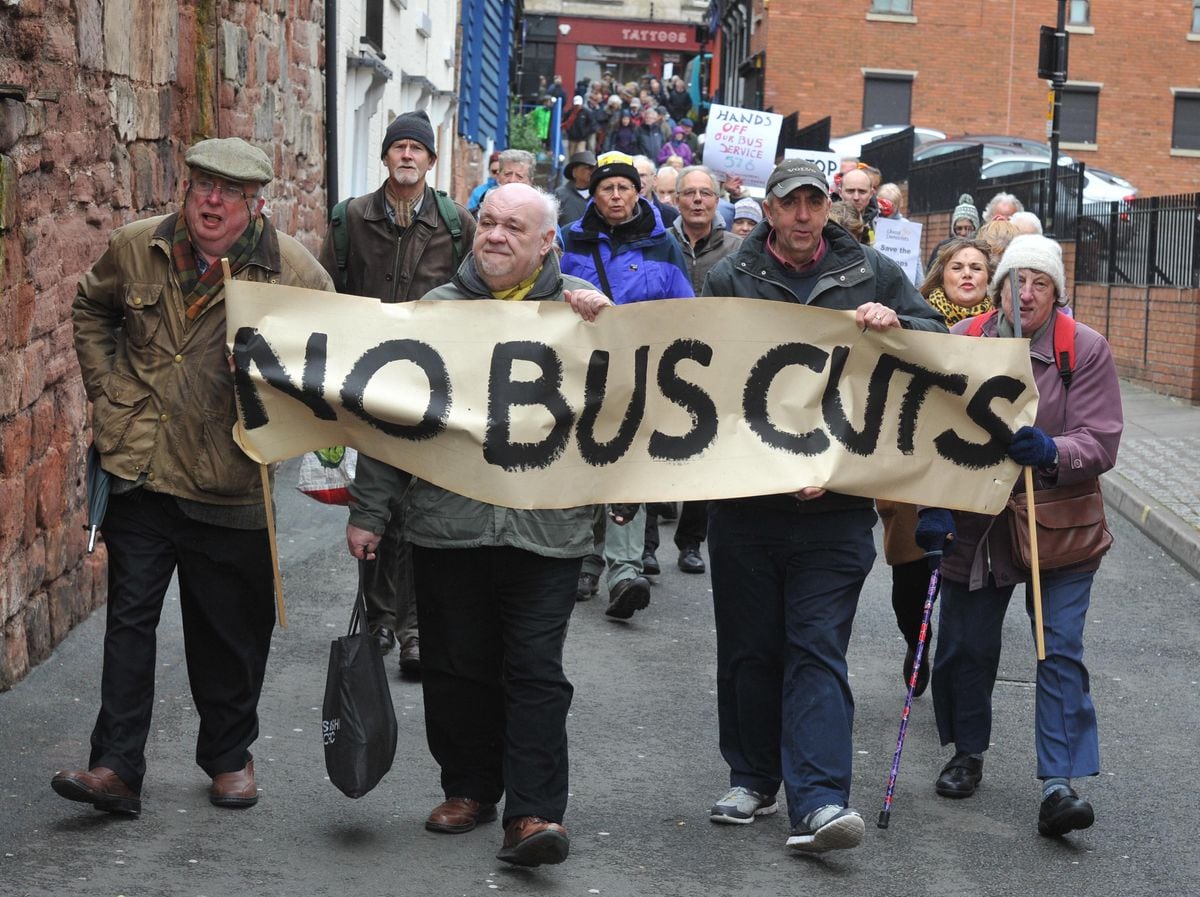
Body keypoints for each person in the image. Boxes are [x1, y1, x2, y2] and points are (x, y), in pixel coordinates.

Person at [58, 137, 334, 817]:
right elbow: (92, 309)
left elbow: (335, 353)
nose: (211, 201)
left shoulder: (290, 270)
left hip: (231, 476)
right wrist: (109, 388)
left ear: (255, 204)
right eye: (202, 186)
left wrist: (281, 401)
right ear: (186, 189)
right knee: (129, 622)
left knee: (229, 630)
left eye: (229, 193)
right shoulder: (136, 247)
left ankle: (228, 754)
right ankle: (115, 765)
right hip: (142, 469)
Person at [346, 183, 613, 868]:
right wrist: (370, 510)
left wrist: (603, 325)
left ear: (547, 241)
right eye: (486, 222)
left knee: (534, 670)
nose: (494, 235)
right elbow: (392, 416)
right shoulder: (435, 312)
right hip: (448, 524)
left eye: (512, 227)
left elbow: (620, 412)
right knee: (454, 666)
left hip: (546, 531)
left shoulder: (585, 311)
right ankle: (467, 786)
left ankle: (533, 811)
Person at [700, 158, 945, 853]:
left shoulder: (869, 271)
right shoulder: (731, 274)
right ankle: (751, 777)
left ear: (830, 207)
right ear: (770, 211)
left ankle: (820, 799)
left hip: (837, 505)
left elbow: (935, 344)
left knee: (816, 645)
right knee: (751, 648)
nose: (804, 214)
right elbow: (702, 382)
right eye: (791, 203)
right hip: (747, 503)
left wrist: (894, 319)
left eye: (815, 201)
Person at [915, 233, 1122, 838]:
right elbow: (930, 433)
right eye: (1016, 280)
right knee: (963, 648)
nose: (1025, 293)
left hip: (1058, 528)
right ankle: (967, 749)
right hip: (975, 523)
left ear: (1057, 291)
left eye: (1040, 283)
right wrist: (932, 507)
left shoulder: (1083, 348)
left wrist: (1055, 449)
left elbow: (1102, 439)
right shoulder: (963, 342)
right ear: (998, 285)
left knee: (1057, 648)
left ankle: (1059, 783)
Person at [320, 109, 476, 673]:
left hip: (433, 386)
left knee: (419, 507)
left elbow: (478, 297)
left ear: (432, 161)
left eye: (417, 149)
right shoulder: (349, 219)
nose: (407, 156)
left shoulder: (458, 224)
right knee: (373, 501)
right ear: (384, 156)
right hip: (367, 383)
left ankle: (413, 628)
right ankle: (380, 617)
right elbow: (325, 295)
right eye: (398, 147)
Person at [559, 151, 694, 620]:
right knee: (586, 463)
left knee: (626, 467)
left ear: (638, 192)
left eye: (623, 188)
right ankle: (588, 558)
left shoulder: (663, 245)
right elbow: (550, 296)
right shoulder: (569, 239)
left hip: (642, 373)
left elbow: (683, 308)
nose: (615, 196)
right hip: (582, 372)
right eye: (605, 189)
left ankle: (624, 571)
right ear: (593, 196)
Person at [876, 237, 996, 695]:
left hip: (972, 465)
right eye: (957, 267)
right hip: (914, 464)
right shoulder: (913, 321)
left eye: (977, 268)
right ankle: (916, 639)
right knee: (911, 573)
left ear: (990, 278)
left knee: (966, 575)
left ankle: (956, 665)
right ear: (940, 275)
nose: (967, 274)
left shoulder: (1003, 329)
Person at [643, 165, 743, 576]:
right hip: (661, 361)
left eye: (706, 193)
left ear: (718, 201)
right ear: (677, 200)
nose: (698, 200)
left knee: (703, 452)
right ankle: (646, 546)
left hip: (714, 364)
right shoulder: (658, 242)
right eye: (690, 193)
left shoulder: (738, 248)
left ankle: (690, 543)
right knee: (649, 452)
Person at [926, 193, 980, 269]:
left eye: (968, 228)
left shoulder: (981, 249)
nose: (963, 233)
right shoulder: (943, 248)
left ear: (975, 228)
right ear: (953, 228)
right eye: (959, 228)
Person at [634, 155, 679, 227]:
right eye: (634, 176)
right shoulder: (622, 213)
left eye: (642, 175)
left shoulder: (670, 214)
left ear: (654, 180)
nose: (638, 181)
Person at [554, 150, 596, 226]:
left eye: (593, 168)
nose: (591, 171)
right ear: (574, 172)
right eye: (587, 168)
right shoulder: (560, 194)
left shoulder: (598, 194)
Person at [838, 167, 878, 243]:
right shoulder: (825, 221)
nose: (856, 197)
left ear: (871, 194)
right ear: (840, 192)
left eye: (862, 192)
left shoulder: (881, 224)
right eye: (850, 191)